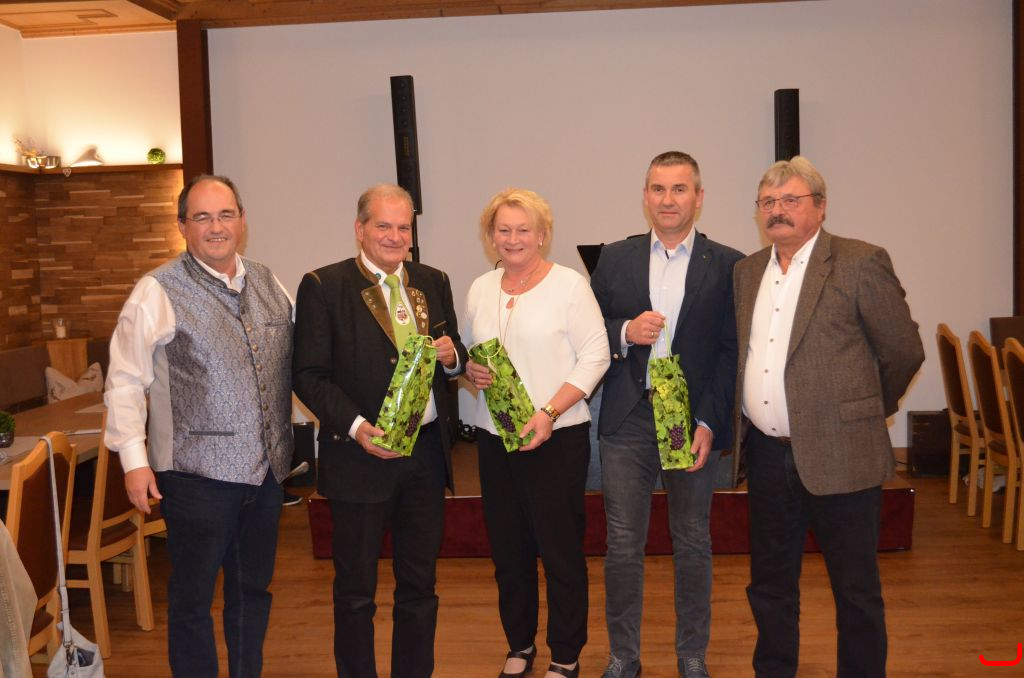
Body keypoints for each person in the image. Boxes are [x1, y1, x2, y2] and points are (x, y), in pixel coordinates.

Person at [735, 156, 924, 677]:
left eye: (790, 200)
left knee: (855, 588)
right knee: (769, 584)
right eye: (768, 202)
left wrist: (863, 411)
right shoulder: (747, 272)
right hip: (767, 455)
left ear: (820, 207)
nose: (778, 210)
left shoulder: (859, 262)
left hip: (843, 452)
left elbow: (903, 350)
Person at [105, 174, 294, 677]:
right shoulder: (156, 290)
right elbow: (124, 381)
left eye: (226, 214)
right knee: (192, 600)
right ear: (183, 226)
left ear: (242, 220)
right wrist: (134, 462)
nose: (216, 227)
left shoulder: (270, 282)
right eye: (202, 217)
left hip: (266, 476)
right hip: (195, 477)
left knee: (252, 592)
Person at [292, 183, 467, 678]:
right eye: (383, 225)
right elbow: (308, 374)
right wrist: (357, 427)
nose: (394, 236)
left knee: (420, 588)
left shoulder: (433, 280)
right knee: (355, 595)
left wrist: (453, 359)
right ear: (360, 228)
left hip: (424, 458)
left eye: (403, 227)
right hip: (358, 458)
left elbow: (453, 355)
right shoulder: (324, 285)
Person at [590, 151, 743, 678]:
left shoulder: (729, 264)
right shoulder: (615, 258)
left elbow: (731, 352)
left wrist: (710, 422)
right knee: (622, 544)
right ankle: (623, 657)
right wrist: (623, 332)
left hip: (693, 420)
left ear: (698, 197)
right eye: (658, 188)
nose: (668, 199)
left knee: (693, 540)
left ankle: (692, 655)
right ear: (645, 196)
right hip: (629, 418)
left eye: (680, 189)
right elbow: (589, 329)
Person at [464, 188, 610, 678]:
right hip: (495, 437)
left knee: (560, 550)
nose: (513, 239)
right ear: (491, 236)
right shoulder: (480, 288)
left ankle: (565, 654)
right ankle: (519, 644)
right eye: (503, 230)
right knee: (509, 550)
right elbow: (472, 353)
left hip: (556, 436)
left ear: (543, 235)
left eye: (523, 229)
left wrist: (548, 412)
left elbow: (596, 356)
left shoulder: (569, 286)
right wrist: (470, 371)